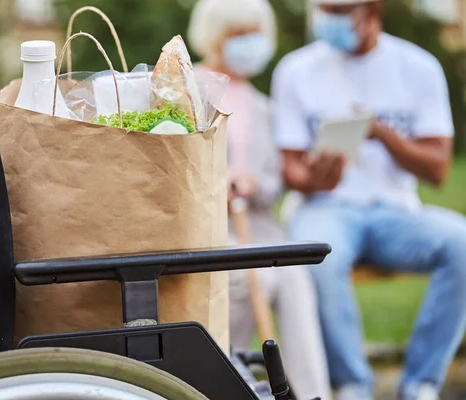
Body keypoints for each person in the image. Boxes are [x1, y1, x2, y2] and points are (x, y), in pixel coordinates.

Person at [271, 1, 466, 399]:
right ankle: (353, 385)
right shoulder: (294, 69)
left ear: (371, 9)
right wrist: (317, 178)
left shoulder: (418, 66)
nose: (327, 18)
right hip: (325, 209)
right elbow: (290, 170)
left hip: (396, 210)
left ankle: (421, 383)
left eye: (338, 9)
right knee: (316, 257)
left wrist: (381, 134)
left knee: (461, 244)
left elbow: (438, 168)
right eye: (322, 9)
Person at [188, 1, 332, 399]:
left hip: (260, 227)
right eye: (239, 35)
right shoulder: (189, 88)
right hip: (211, 229)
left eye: (256, 34)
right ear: (216, 37)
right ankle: (230, 383)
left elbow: (273, 184)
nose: (251, 44)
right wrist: (222, 179)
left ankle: (312, 393)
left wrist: (254, 184)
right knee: (257, 278)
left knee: (295, 279)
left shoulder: (265, 107)